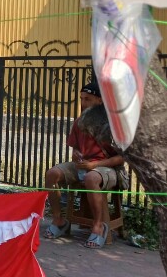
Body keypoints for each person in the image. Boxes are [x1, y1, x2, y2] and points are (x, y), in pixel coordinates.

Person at [43, 81, 124, 249]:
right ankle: (59, 220)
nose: (83, 103)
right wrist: (76, 155)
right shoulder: (80, 121)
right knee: (51, 174)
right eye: (81, 98)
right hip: (84, 165)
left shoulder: (114, 123)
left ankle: (98, 226)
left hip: (107, 167)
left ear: (100, 101)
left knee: (91, 178)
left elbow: (122, 158)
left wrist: (94, 165)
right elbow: (76, 149)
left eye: (87, 99)